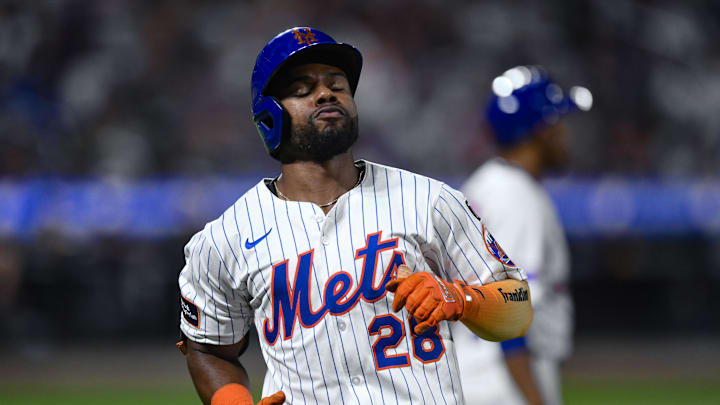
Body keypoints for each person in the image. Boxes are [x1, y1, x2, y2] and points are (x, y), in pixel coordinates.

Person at [176, 27, 533, 405]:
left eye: (338, 85)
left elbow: (518, 305)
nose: (326, 93)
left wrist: (462, 298)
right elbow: (209, 349)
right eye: (302, 89)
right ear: (269, 115)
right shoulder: (225, 237)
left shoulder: (430, 200)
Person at [450, 66, 592, 405]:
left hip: (471, 375)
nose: (564, 134)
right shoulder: (518, 197)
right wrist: (535, 399)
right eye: (558, 123)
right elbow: (509, 311)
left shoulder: (483, 184)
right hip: (502, 386)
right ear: (539, 130)